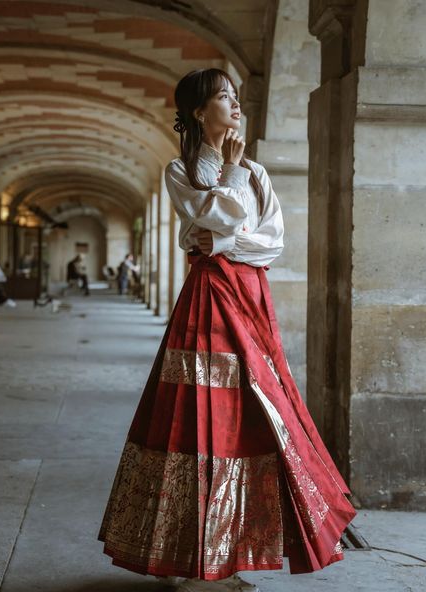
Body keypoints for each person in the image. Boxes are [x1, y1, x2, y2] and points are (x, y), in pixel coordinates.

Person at [98, 69, 356, 591]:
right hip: (208, 302)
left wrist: (216, 240)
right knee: (200, 418)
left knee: (253, 417)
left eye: (236, 96)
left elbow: (267, 242)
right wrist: (228, 189)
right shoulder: (181, 170)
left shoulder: (258, 174)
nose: (234, 104)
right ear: (199, 111)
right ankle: (191, 563)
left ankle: (228, 554)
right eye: (223, 97)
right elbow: (211, 214)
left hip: (248, 297)